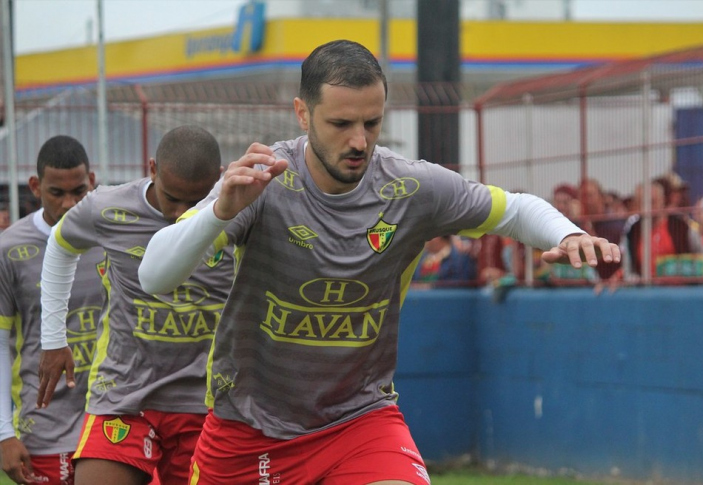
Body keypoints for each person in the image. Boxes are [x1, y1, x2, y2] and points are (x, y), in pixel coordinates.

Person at [138, 40, 620, 485]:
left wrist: (567, 232)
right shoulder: (259, 182)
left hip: (357, 421)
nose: (359, 141)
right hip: (248, 428)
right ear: (302, 115)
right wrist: (220, 210)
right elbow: (155, 275)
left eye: (372, 123)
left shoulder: (412, 188)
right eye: (341, 124)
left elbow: (513, 210)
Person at [36, 126, 237, 485]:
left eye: (195, 202)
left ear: (217, 180)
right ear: (153, 169)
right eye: (172, 197)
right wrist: (53, 339)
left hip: (208, 403)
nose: (180, 214)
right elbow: (60, 245)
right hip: (124, 393)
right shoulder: (108, 207)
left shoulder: (238, 211)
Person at [0, 135, 101, 485]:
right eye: (57, 193)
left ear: (93, 182)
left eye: (79, 192)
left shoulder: (113, 236)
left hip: (113, 419)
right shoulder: (10, 250)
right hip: (46, 426)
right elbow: (1, 344)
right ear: (35, 186)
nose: (69, 204)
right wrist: (3, 433)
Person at [412, 235, 478, 288]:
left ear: (437, 236)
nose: (424, 240)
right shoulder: (420, 259)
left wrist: (432, 287)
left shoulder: (461, 261)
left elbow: (459, 288)